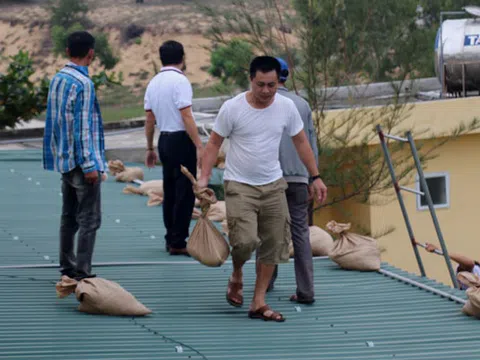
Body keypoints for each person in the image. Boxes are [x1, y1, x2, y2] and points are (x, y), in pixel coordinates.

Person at [197, 56, 327, 322]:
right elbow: (213, 145)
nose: (267, 91)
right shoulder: (232, 108)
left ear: (278, 81)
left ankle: (258, 301)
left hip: (273, 184)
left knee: (274, 243)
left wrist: (315, 176)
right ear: (251, 80)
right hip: (240, 184)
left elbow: (302, 142)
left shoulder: (286, 107)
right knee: (244, 241)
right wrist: (204, 178)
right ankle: (236, 273)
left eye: (272, 85)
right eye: (260, 85)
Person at [43, 31, 105, 281]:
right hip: (82, 163)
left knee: (68, 217)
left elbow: (56, 123)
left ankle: (66, 267)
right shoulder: (84, 84)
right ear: (91, 53)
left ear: (67, 51)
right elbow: (82, 129)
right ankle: (82, 272)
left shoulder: (58, 79)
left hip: (64, 161)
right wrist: (91, 165)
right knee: (90, 220)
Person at [266, 57, 319, 305]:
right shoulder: (302, 105)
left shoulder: (262, 102)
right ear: (288, 75)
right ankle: (306, 290)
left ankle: (266, 282)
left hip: (269, 179)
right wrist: (313, 177)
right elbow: (310, 144)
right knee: (300, 234)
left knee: (269, 232)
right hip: (299, 178)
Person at [144, 40, 204, 256]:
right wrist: (199, 144)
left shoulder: (153, 83)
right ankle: (179, 241)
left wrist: (150, 147)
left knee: (169, 190)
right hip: (181, 140)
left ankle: (171, 236)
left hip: (164, 140)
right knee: (185, 191)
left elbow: (150, 119)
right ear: (183, 58)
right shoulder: (181, 82)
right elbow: (186, 115)